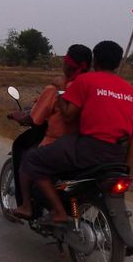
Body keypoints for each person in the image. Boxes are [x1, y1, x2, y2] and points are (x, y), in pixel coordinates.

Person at [10, 40, 133, 222]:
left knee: (32, 159)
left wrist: (59, 89)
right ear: (118, 62)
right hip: (117, 154)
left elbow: (67, 115)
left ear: (95, 61)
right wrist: (127, 168)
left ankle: (53, 211)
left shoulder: (85, 81)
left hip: (88, 148)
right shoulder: (132, 91)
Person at [7, 44, 92, 207]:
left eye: (65, 62)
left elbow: (33, 119)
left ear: (68, 65)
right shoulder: (92, 87)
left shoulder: (56, 89)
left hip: (57, 143)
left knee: (28, 160)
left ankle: (26, 206)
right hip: (85, 145)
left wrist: (19, 117)